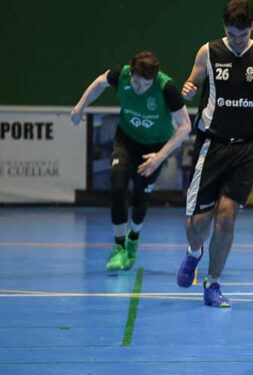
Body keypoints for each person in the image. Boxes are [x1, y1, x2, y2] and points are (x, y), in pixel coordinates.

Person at [175, 0, 253, 308]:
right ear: (225, 28)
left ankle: (213, 283)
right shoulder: (208, 52)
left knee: (226, 215)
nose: (237, 40)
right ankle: (194, 252)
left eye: (243, 33)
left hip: (246, 147)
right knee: (197, 221)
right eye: (232, 34)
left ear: (252, 27)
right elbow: (192, 83)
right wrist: (188, 90)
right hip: (212, 144)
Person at [70, 51, 191, 271]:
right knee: (117, 186)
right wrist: (80, 107)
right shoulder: (121, 75)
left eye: (145, 85)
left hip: (154, 149)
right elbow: (99, 83)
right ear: (131, 72)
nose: (139, 89)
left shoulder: (167, 88)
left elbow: (185, 126)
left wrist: (159, 157)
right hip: (126, 140)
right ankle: (118, 248)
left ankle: (133, 237)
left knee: (139, 198)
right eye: (136, 83)